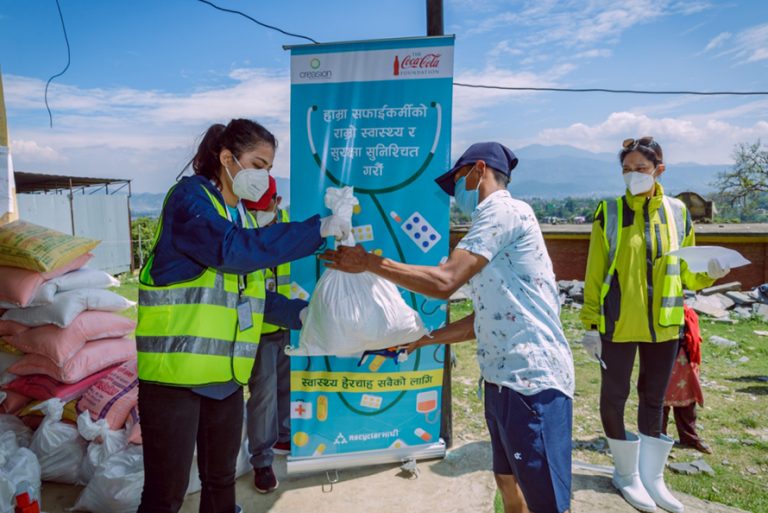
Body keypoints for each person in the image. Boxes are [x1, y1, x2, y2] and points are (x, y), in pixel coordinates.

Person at [321, 142, 575, 513]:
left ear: (477, 171)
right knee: (508, 484)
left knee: (547, 501)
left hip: (532, 384)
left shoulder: (502, 211)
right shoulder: (492, 226)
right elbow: (487, 318)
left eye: (456, 180)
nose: (456, 194)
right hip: (503, 382)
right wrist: (421, 340)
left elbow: (444, 282)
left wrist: (369, 264)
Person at [135, 118, 350, 513]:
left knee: (220, 481)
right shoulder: (190, 201)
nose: (264, 176)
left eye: (269, 167)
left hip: (226, 379)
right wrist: (316, 229)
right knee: (167, 493)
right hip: (173, 381)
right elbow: (231, 253)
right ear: (226, 158)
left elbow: (253, 300)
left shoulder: (241, 219)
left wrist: (311, 315)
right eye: (257, 164)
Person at [579, 136, 729, 513]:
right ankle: (625, 474)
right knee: (614, 396)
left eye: (640, 170)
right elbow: (595, 271)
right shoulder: (609, 211)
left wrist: (710, 273)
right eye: (626, 170)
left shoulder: (678, 212)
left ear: (659, 170)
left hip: (665, 324)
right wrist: (590, 323)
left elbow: (689, 276)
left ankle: (652, 477)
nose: (632, 177)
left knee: (654, 398)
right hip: (617, 323)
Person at [242, 177, 293, 493]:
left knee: (287, 387)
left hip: (290, 325)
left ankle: (284, 437)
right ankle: (261, 462)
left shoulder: (293, 229)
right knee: (262, 397)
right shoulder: (244, 230)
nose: (259, 214)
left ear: (278, 201)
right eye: (253, 209)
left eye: (265, 207)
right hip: (258, 330)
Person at [662, 304, 712, 454]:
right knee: (659, 401)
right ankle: (656, 439)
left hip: (685, 356)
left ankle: (689, 438)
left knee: (687, 399)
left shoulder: (688, 312)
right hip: (663, 356)